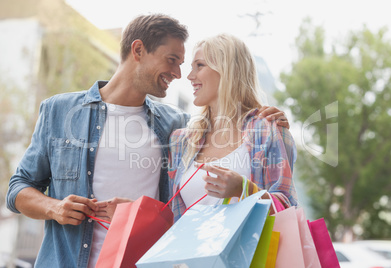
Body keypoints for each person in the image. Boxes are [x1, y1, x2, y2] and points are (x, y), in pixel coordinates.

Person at [6, 14, 289, 268]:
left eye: (187, 64)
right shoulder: (60, 111)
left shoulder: (175, 127)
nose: (179, 74)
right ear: (138, 50)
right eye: (172, 60)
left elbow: (168, 216)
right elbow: (18, 188)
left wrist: (276, 132)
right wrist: (54, 208)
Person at [168, 34, 298, 221]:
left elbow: (288, 209)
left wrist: (245, 190)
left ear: (227, 71)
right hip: (192, 250)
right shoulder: (181, 141)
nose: (190, 76)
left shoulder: (266, 131)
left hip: (248, 250)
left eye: (200, 65)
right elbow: (171, 217)